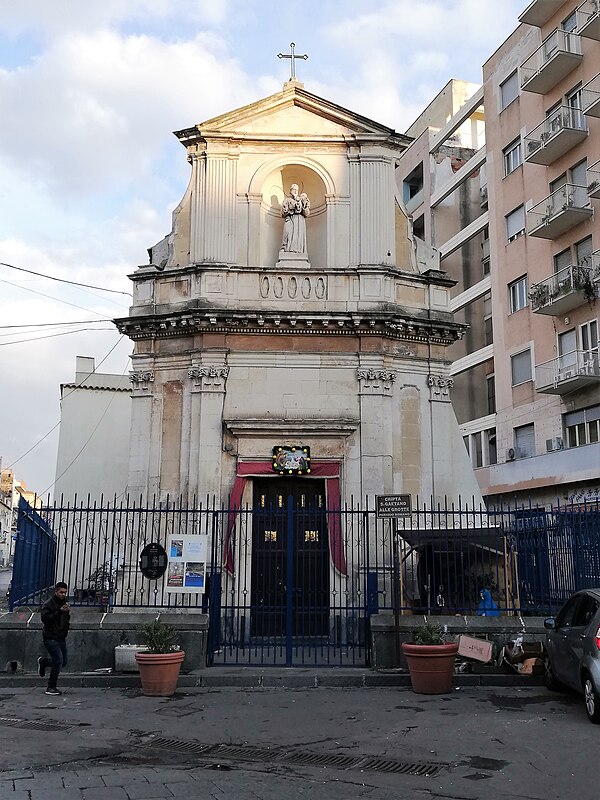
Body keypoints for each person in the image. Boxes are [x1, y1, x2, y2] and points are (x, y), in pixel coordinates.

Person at [38, 581, 70, 695]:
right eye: (61, 592)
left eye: (65, 592)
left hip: (60, 636)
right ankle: (51, 687)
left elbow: (65, 619)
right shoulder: (48, 604)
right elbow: (46, 619)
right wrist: (59, 612)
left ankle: (44, 662)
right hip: (50, 637)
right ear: (56, 591)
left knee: (64, 661)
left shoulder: (64, 602)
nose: (63, 594)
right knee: (58, 660)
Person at [280, 184, 310, 255]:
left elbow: (306, 213)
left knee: (298, 236)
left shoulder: (301, 200)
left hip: (299, 221)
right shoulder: (287, 200)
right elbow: (282, 213)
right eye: (294, 189)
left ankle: (298, 251)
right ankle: (284, 248)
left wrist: (305, 205)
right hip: (289, 220)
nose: (295, 191)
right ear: (290, 191)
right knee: (287, 233)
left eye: (297, 190)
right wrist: (289, 209)